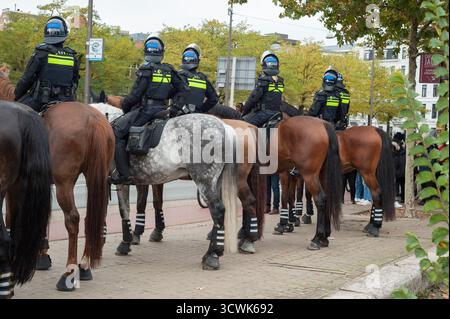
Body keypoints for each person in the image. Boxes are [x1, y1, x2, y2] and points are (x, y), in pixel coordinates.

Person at [109, 33, 189, 185]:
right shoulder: (169, 70)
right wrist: (175, 108)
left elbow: (135, 96)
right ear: (161, 51)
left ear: (146, 51)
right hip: (163, 110)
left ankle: (124, 174)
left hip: (146, 110)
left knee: (117, 131)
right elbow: (184, 89)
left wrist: (125, 107)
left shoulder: (146, 69)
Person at [14, 16, 79, 112]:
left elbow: (26, 80)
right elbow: (75, 82)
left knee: (15, 113)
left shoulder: (40, 53)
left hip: (41, 101)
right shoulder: (72, 56)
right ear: (65, 34)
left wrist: (17, 96)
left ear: (46, 33)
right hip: (67, 101)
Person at [170, 43, 218, 116]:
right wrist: (201, 110)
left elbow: (167, 93)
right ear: (197, 60)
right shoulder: (203, 78)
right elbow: (213, 99)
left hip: (178, 115)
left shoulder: (177, 75)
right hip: (197, 116)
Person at [242, 51, 284, 127]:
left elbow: (252, 99)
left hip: (264, 114)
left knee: (242, 124)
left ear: (264, 65)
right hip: (277, 114)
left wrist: (244, 112)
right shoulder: (280, 81)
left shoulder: (263, 81)